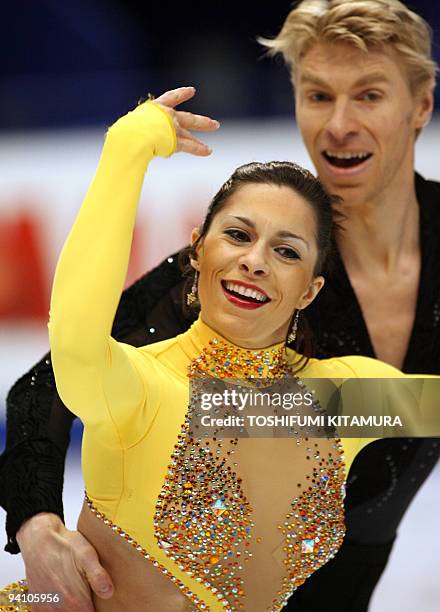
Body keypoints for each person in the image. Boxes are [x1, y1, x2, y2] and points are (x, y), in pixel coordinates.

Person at [0, 0, 438, 610]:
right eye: (317, 96)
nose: (339, 123)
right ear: (198, 251)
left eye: (368, 96)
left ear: (420, 105)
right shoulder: (170, 352)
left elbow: (409, 405)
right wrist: (35, 519)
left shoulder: (336, 393)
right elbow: (60, 368)